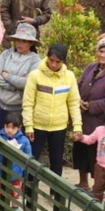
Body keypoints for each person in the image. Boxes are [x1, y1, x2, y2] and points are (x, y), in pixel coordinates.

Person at [75, 35, 105, 193]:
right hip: (82, 119)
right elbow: (79, 84)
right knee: (80, 150)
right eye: (101, 51)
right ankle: (83, 182)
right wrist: (78, 101)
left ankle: (98, 188)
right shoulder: (91, 67)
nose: (103, 55)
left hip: (99, 123)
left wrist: (89, 106)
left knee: (97, 157)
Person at [22, 43, 81, 177]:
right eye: (51, 60)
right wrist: (28, 126)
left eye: (58, 62)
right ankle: (29, 195)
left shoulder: (69, 77)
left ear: (63, 61)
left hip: (59, 126)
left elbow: (73, 103)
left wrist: (77, 126)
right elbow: (28, 103)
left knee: (56, 162)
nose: (54, 64)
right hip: (37, 125)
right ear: (47, 57)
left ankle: (56, 195)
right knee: (32, 161)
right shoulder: (35, 75)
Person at [0, 22, 42, 135]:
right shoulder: (6, 54)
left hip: (18, 108)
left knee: (14, 141)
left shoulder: (35, 61)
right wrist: (14, 86)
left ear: (31, 43)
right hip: (0, 105)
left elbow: (27, 83)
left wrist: (7, 76)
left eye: (24, 41)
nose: (19, 43)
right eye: (18, 39)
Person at [0, 111, 31, 211]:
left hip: (17, 174)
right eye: (8, 127)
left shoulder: (24, 141)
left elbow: (28, 157)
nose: (9, 130)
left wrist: (25, 174)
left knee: (15, 195)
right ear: (4, 125)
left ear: (19, 127)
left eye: (13, 128)